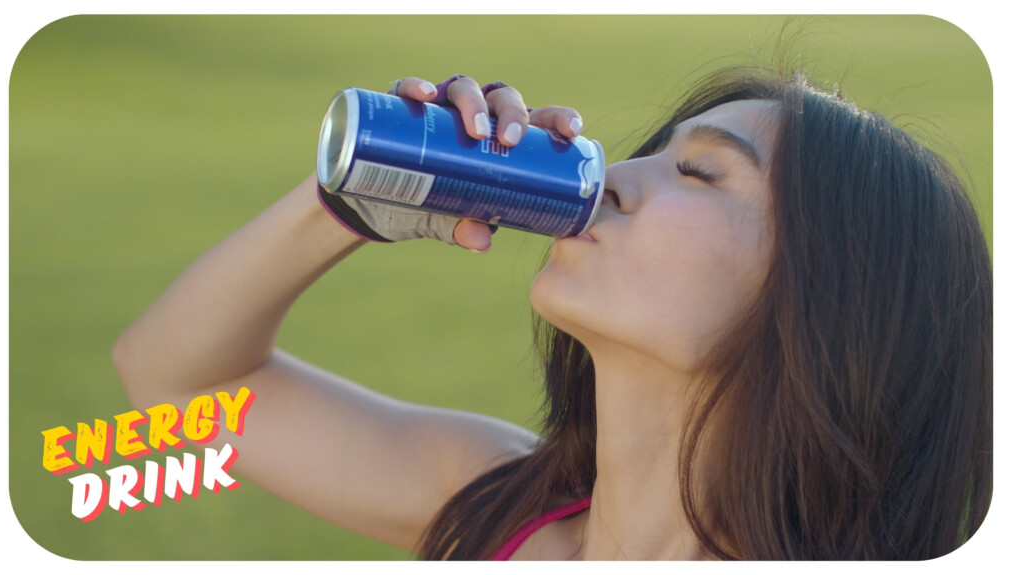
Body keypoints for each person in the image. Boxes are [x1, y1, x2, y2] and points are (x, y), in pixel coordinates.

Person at [112, 68, 992, 560]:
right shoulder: (493, 502)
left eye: (699, 172)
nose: (611, 178)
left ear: (831, 301)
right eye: (650, 155)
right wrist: (348, 200)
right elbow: (177, 389)